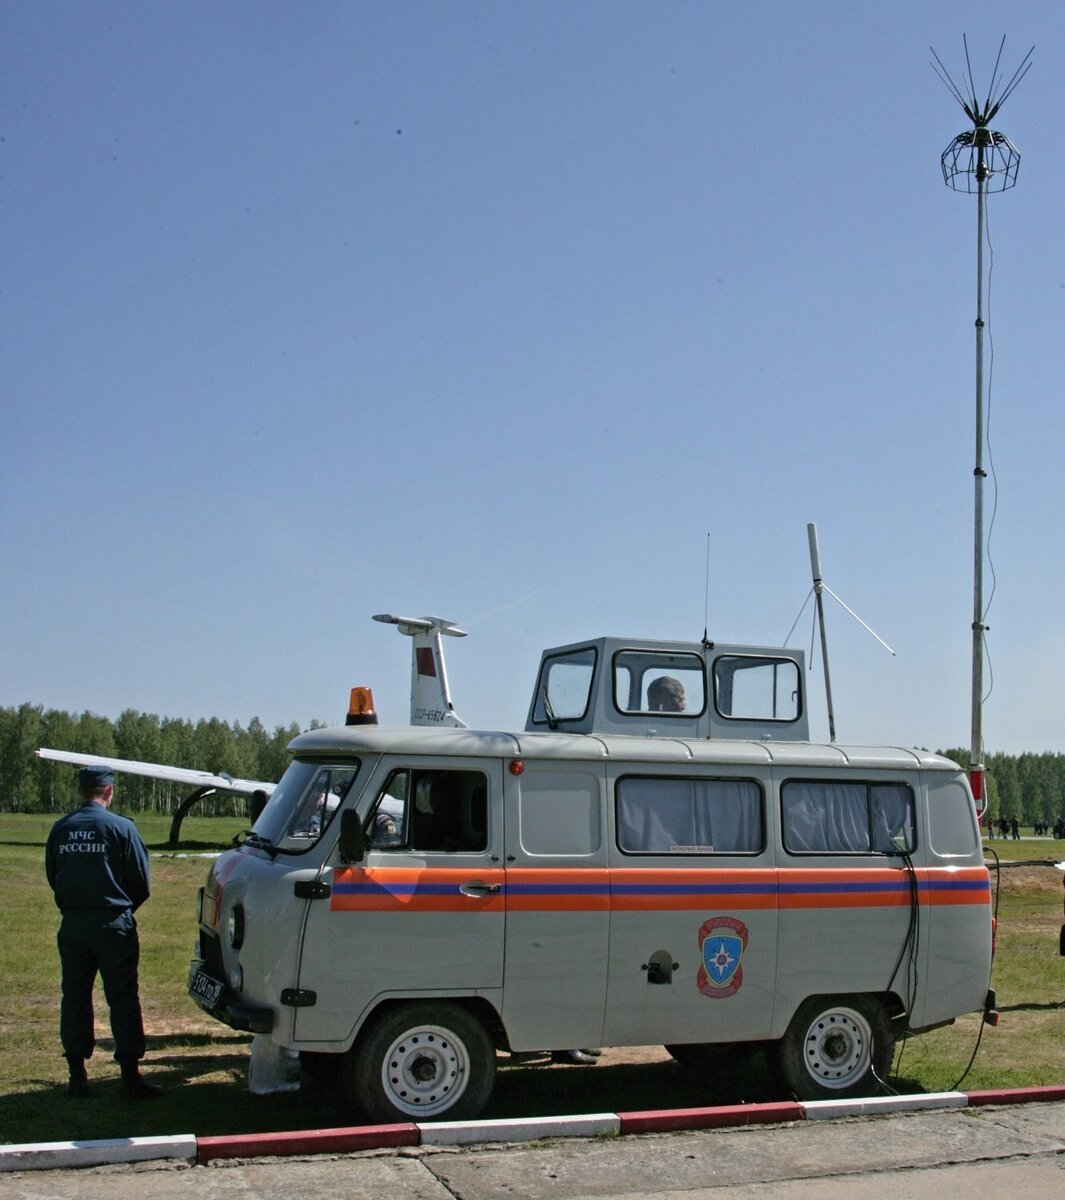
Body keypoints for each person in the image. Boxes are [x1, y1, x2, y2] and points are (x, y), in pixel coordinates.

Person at [44, 766, 160, 1100]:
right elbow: (141, 881)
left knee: (75, 997)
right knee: (123, 997)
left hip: (74, 924)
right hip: (113, 923)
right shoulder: (122, 828)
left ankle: (77, 1076)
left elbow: (54, 876)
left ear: (81, 791)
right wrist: (119, 909)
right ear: (109, 791)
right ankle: (129, 1077)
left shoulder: (61, 829)